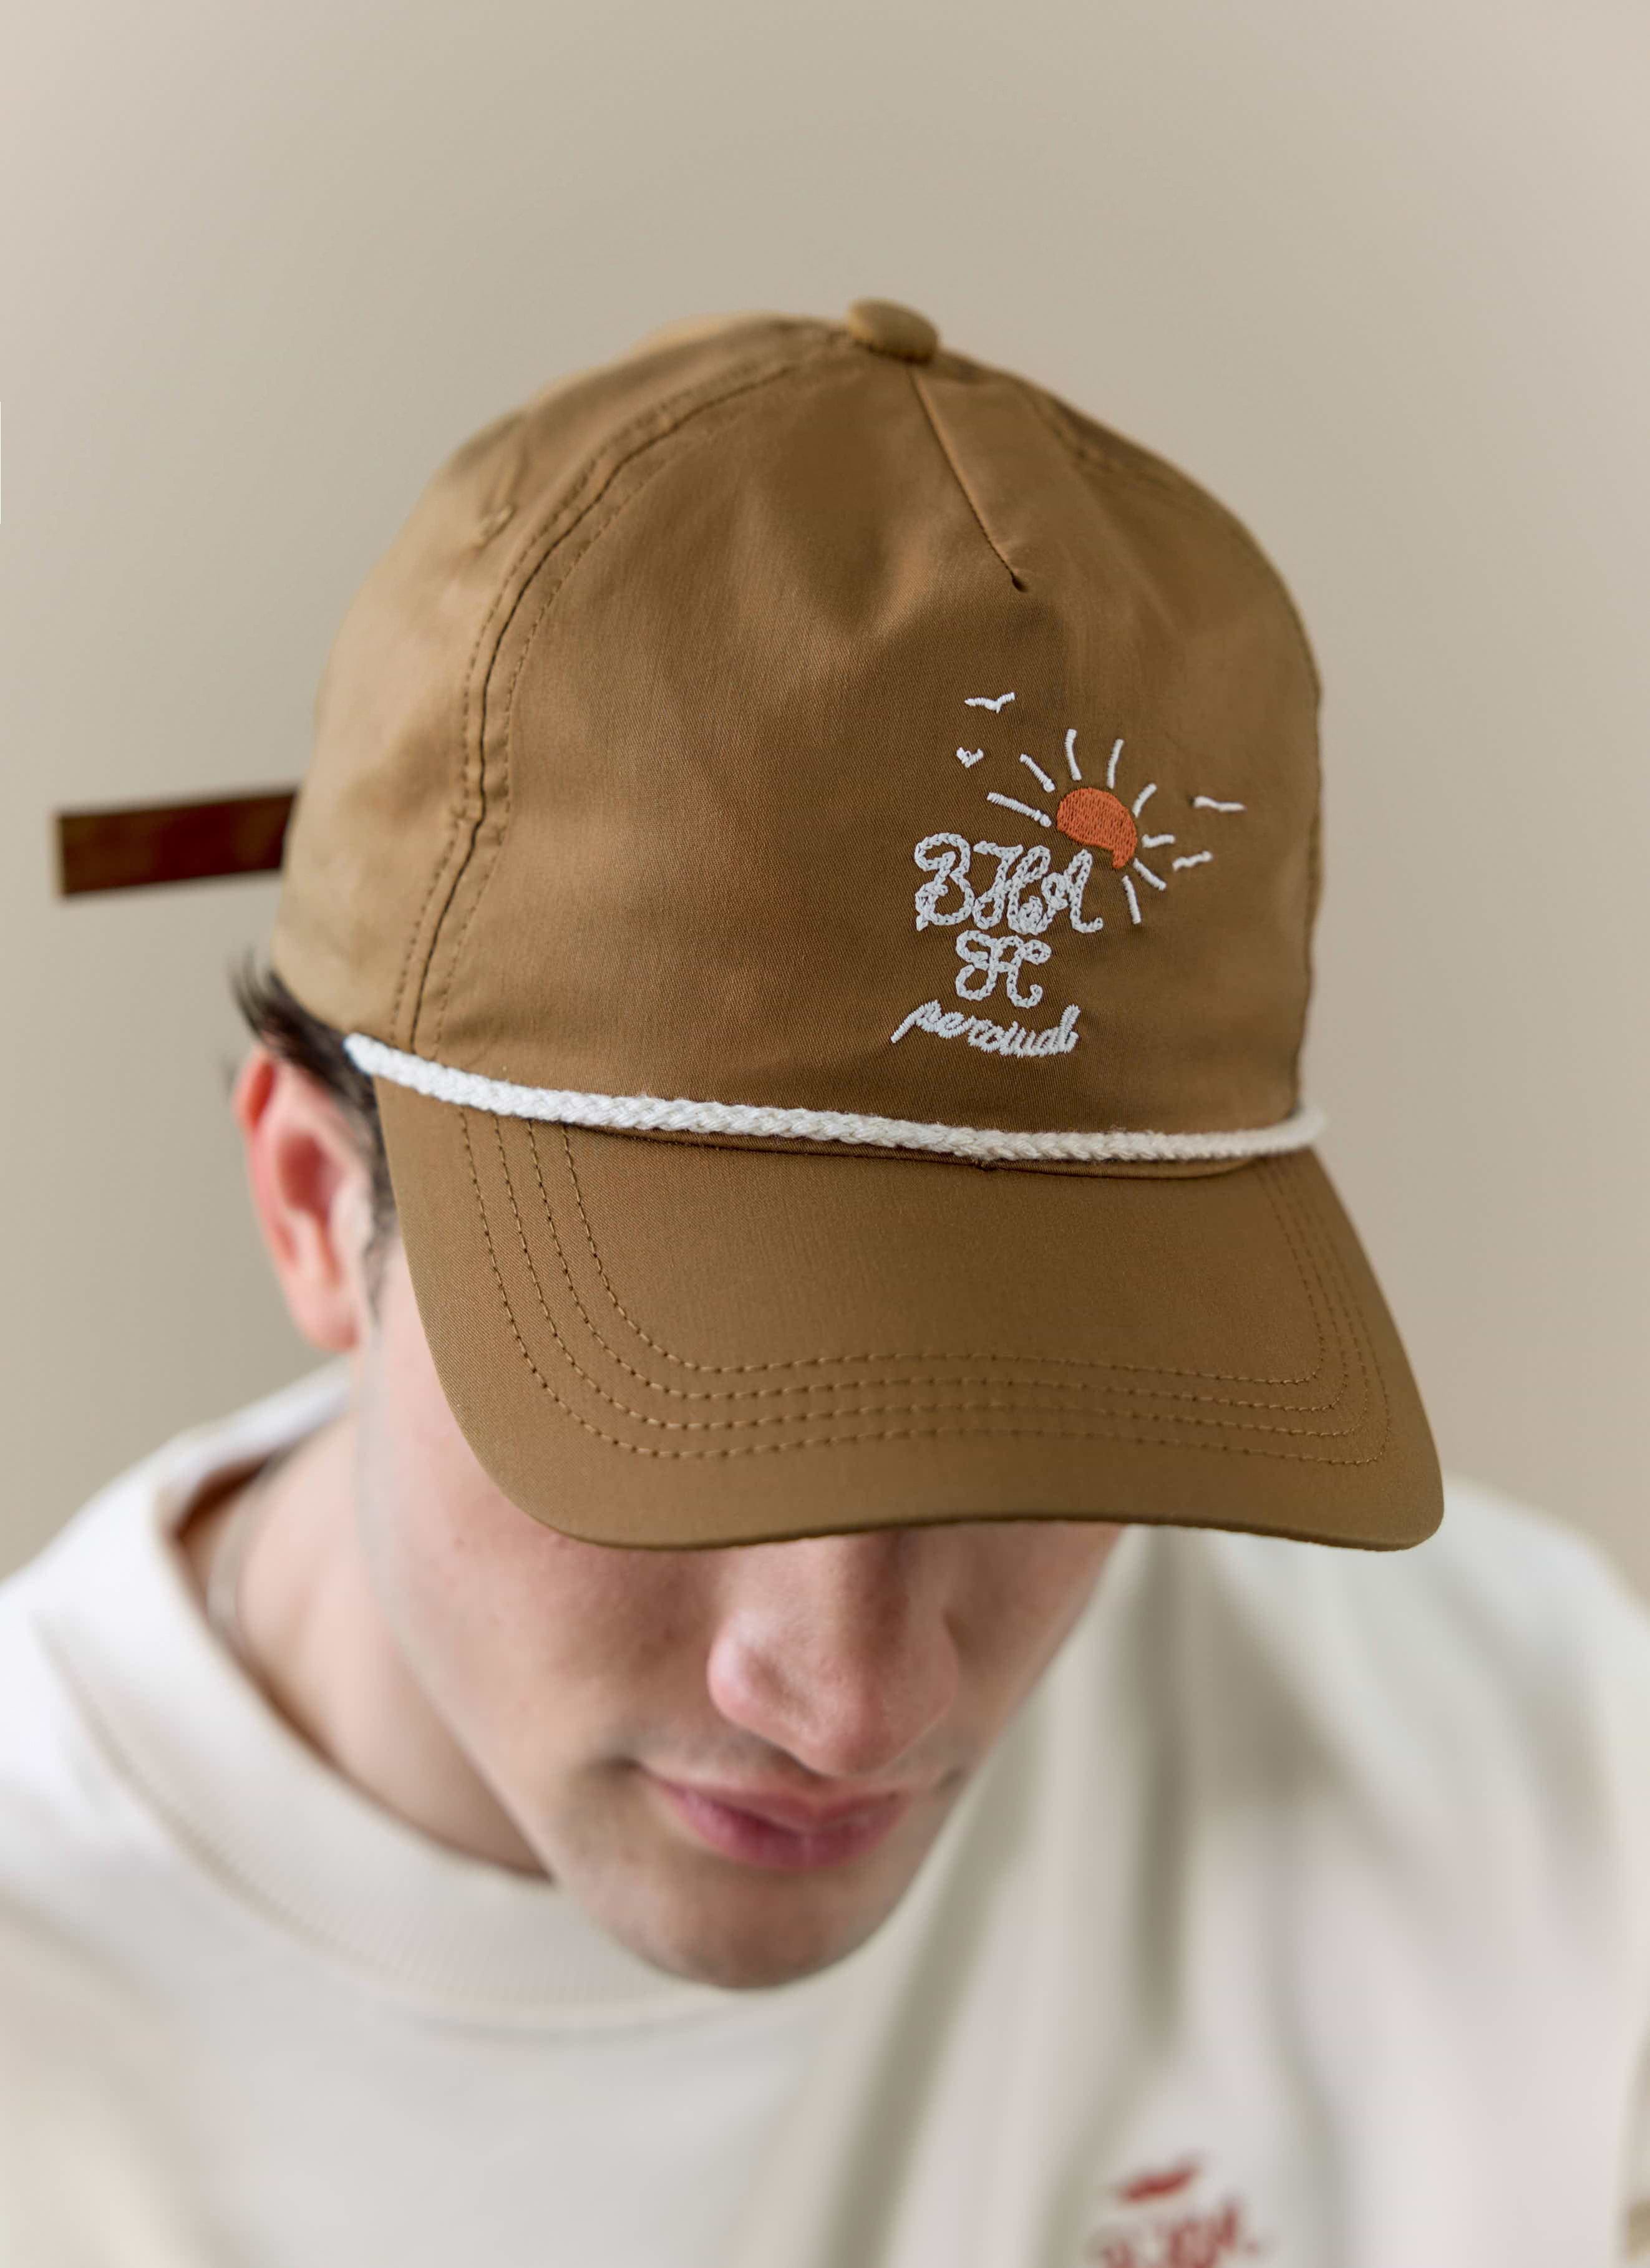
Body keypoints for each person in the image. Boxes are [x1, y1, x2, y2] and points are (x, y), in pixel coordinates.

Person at [3, 298, 1649, 2267]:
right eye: (691, 1413)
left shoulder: (1523, 1758)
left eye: (1050, 1392)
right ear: (308, 1207)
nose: (860, 1699)